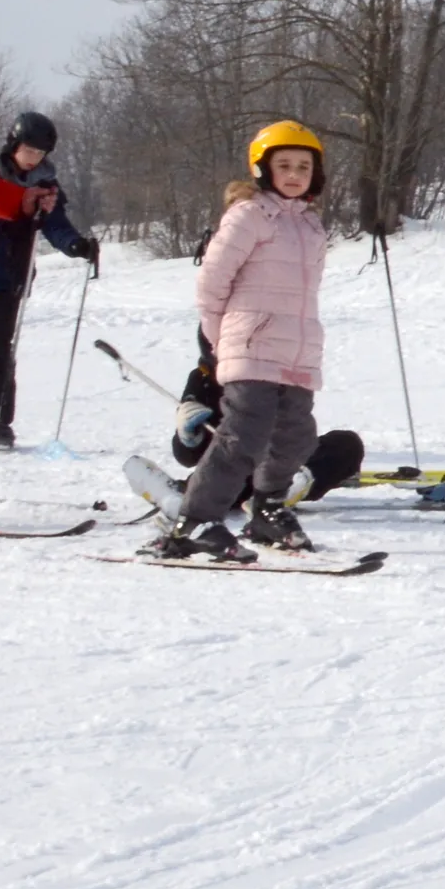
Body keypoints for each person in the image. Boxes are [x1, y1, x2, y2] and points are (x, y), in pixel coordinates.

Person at [161, 121, 329, 562]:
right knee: (244, 436)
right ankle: (195, 520)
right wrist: (224, 340)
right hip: (249, 346)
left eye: (304, 166)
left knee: (297, 435)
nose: (294, 174)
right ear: (262, 168)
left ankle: (267, 509)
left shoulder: (311, 228)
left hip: (295, 351)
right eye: (284, 165)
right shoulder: (249, 215)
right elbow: (211, 284)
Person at [166, 178, 367, 518]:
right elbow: (188, 455)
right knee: (239, 450)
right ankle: (210, 506)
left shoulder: (274, 362)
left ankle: (291, 486)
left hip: (280, 464)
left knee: (339, 444)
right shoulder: (203, 378)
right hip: (236, 468)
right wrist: (186, 435)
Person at [0, 111, 100, 446]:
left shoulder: (46, 185)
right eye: (28, 151)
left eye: (40, 154)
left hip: (11, 275)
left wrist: (75, 244)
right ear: (13, 145)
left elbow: (55, 224)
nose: (33, 159)